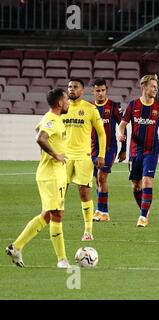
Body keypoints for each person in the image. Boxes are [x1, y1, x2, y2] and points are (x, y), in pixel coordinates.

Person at [6, 88, 70, 268]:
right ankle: (62, 260)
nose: (68, 102)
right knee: (57, 214)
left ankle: (16, 247)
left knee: (48, 215)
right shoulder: (52, 119)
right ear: (59, 103)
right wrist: (55, 155)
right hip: (51, 175)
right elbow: (40, 138)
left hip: (53, 175)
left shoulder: (51, 119)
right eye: (66, 99)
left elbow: (38, 129)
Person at [118, 74, 159, 227]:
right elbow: (122, 125)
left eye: (156, 87)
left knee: (147, 181)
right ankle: (144, 210)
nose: (156, 89)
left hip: (152, 150)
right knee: (136, 185)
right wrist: (120, 133)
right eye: (153, 86)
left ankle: (142, 216)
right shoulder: (133, 105)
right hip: (135, 150)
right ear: (144, 87)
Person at [63, 79, 106, 241]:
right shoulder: (62, 108)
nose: (72, 89)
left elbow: (101, 133)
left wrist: (101, 154)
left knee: (84, 191)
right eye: (69, 87)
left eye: (75, 87)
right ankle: (56, 226)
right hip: (64, 157)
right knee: (60, 192)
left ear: (82, 91)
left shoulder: (90, 109)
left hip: (83, 157)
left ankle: (88, 230)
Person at [90, 78, 127, 222]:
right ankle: (101, 211)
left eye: (103, 90)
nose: (100, 93)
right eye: (97, 91)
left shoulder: (113, 107)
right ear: (93, 92)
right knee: (97, 180)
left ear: (106, 91)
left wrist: (123, 149)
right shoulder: (89, 107)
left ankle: (103, 212)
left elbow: (122, 126)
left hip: (109, 148)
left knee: (102, 177)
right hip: (93, 149)